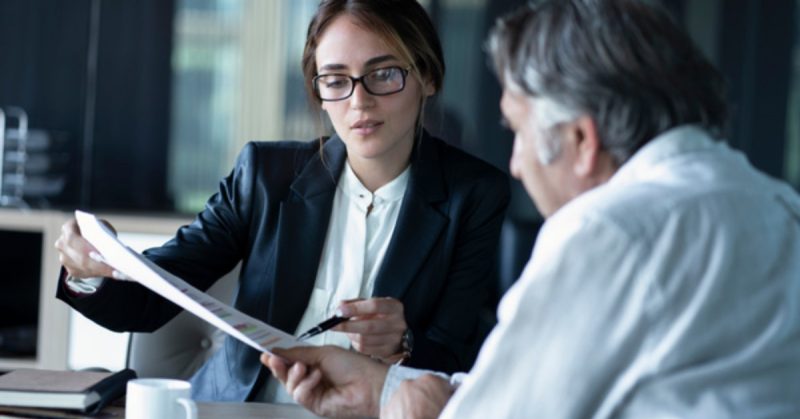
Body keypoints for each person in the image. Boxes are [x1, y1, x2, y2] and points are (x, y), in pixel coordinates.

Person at [260, 0, 800, 417]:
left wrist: (400, 400)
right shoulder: (774, 204)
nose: (515, 165)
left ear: (582, 140)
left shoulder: (610, 231)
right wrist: (382, 388)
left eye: (518, 131)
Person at [54, 0, 510, 403]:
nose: (360, 102)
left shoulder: (474, 195)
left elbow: (462, 360)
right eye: (336, 80)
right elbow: (150, 299)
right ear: (319, 92)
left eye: (384, 74)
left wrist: (403, 344)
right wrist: (88, 269)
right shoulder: (265, 175)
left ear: (427, 77)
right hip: (237, 410)